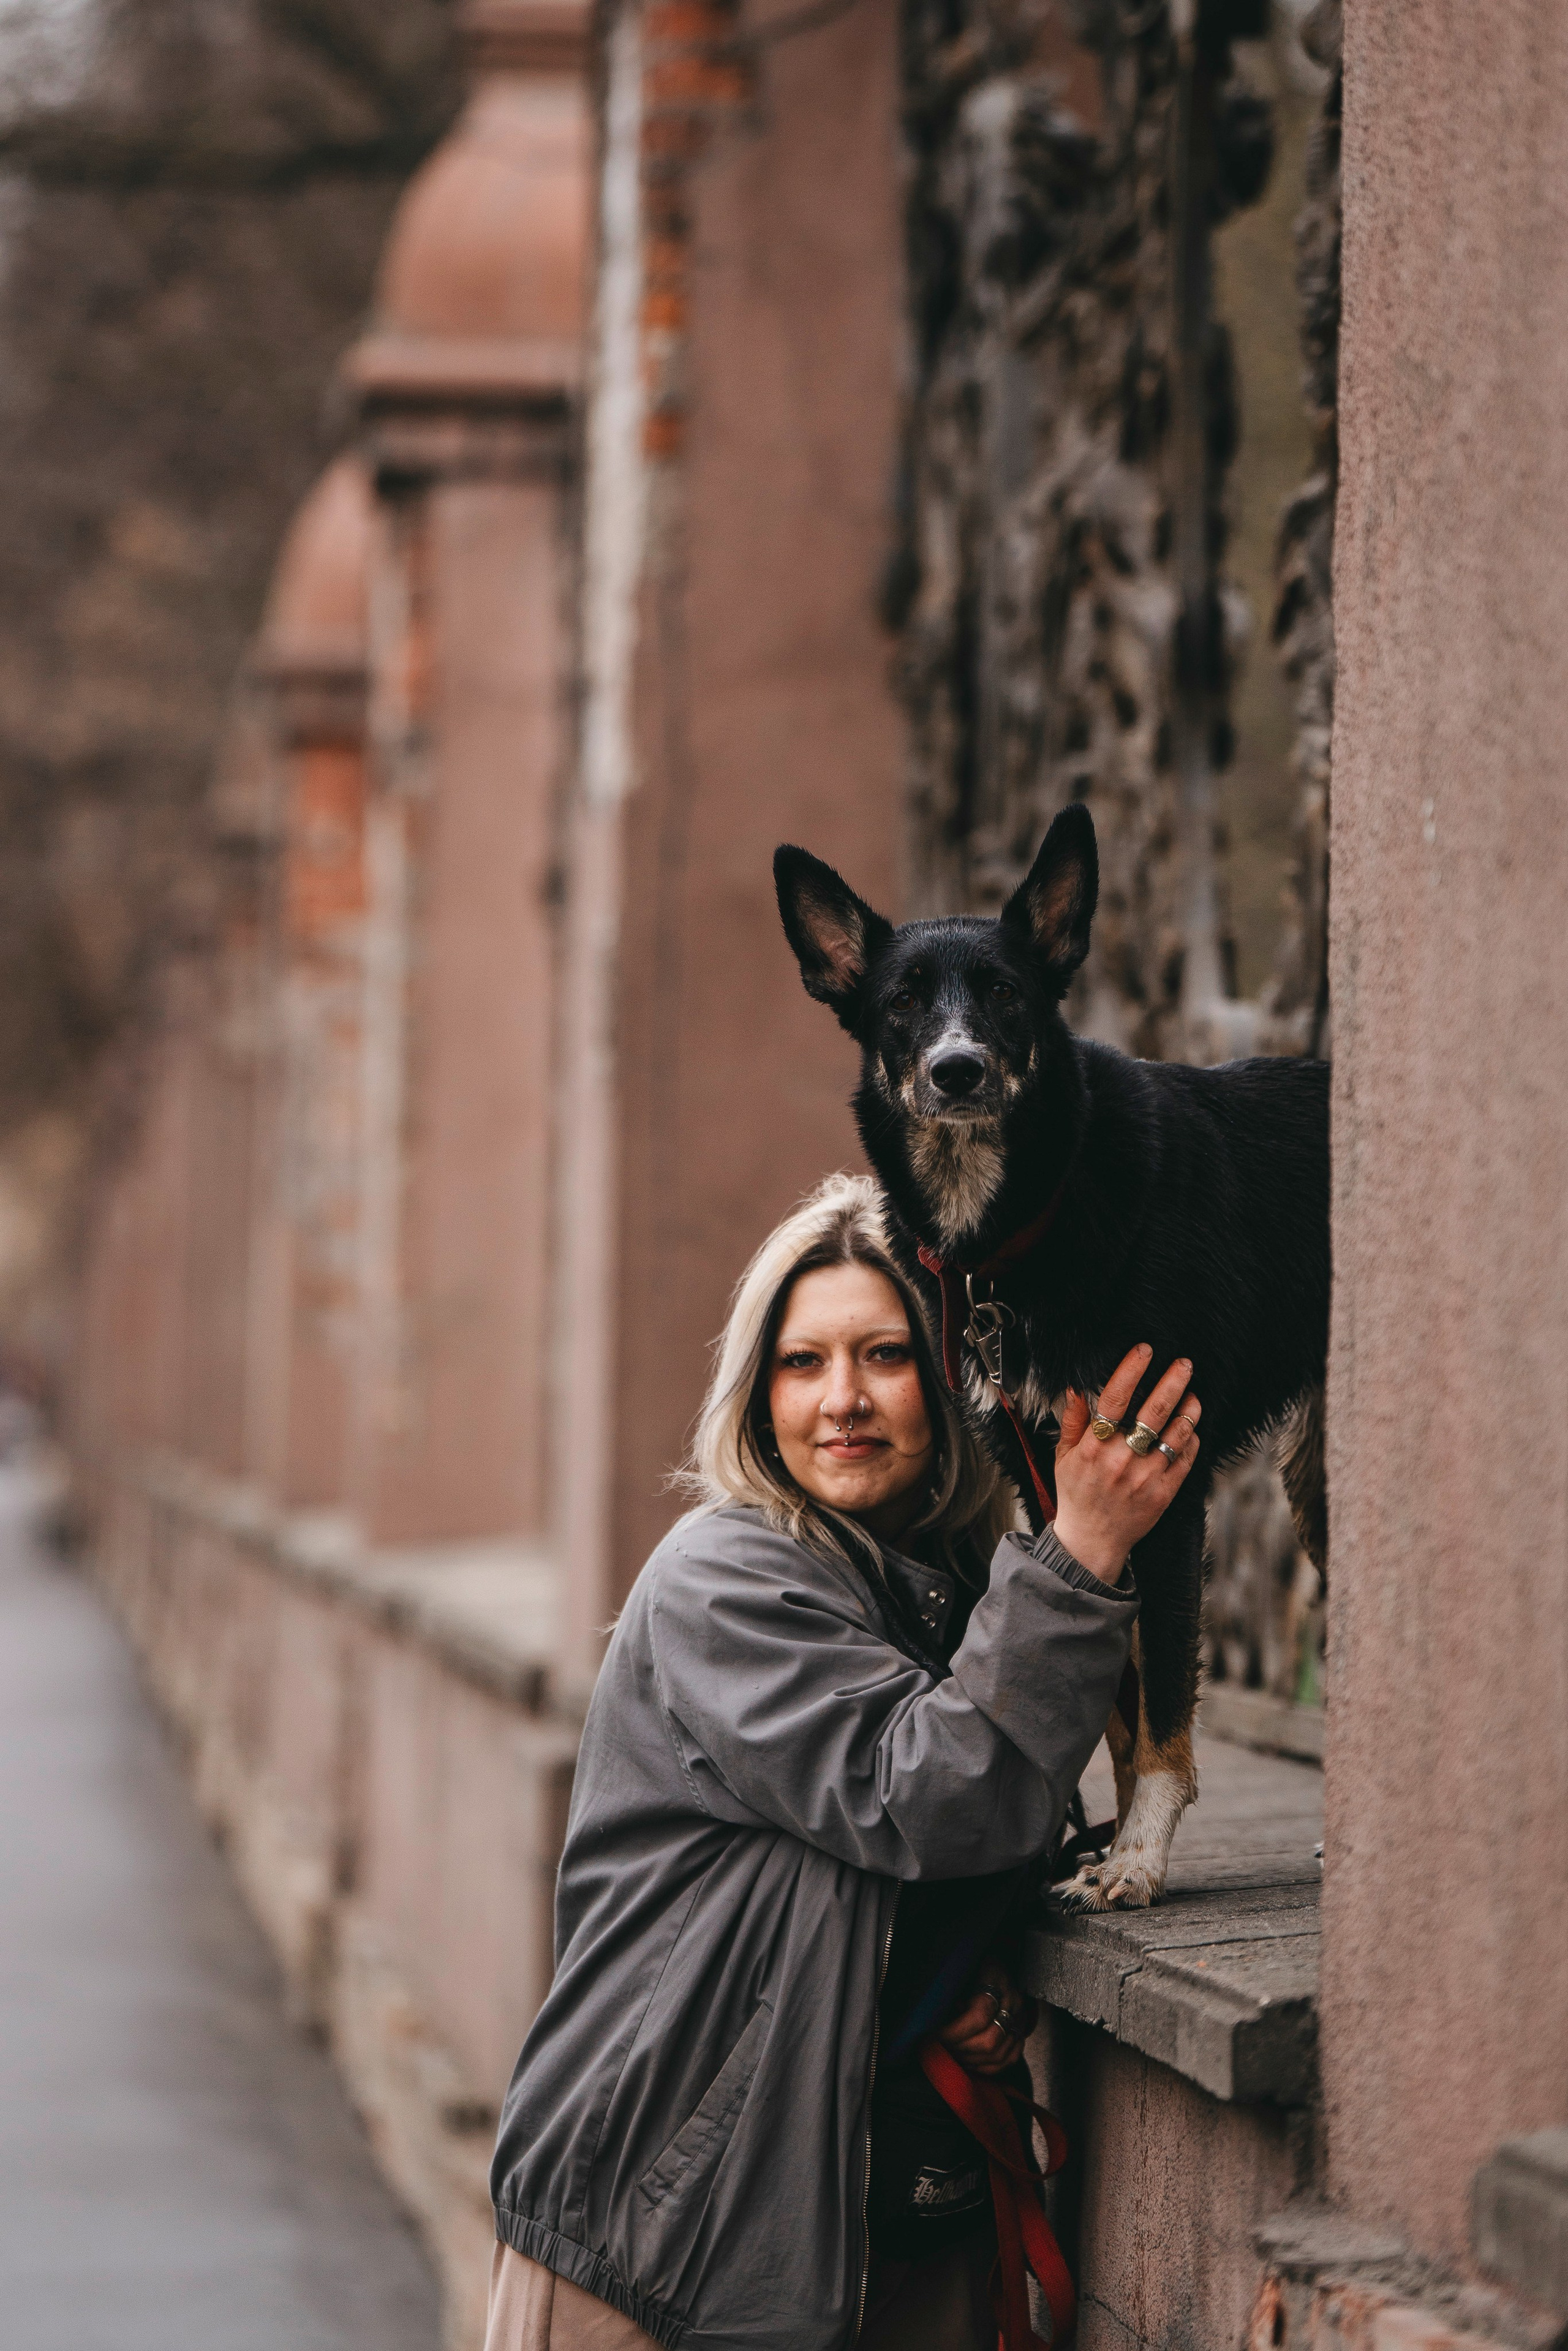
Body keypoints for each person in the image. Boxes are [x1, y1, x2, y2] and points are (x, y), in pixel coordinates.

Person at [486, 1174, 1201, 2351]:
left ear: (947, 1379)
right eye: (802, 1362)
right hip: (661, 2251)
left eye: (886, 1355)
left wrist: (956, 1982)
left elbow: (919, 1857)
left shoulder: (948, 1591)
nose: (844, 1400)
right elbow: (932, 1794)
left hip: (873, 2226)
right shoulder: (724, 1579)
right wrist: (1080, 1553)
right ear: (757, 1394)